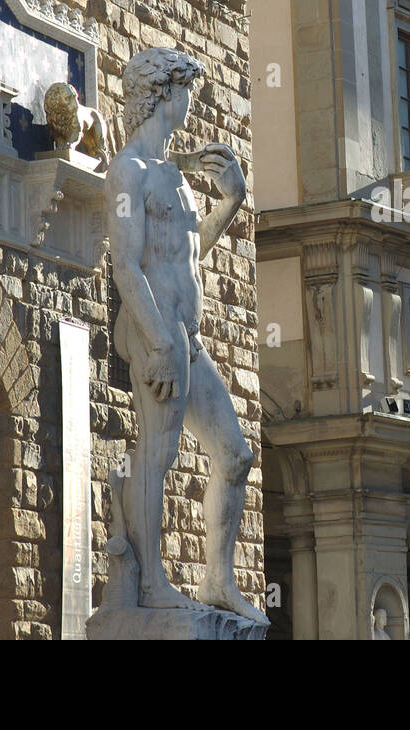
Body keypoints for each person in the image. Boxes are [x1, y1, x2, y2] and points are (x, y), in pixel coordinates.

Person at [105, 47, 266, 625]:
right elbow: (126, 264)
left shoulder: (176, 175)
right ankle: (150, 584)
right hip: (155, 333)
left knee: (235, 453)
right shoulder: (128, 171)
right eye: (187, 90)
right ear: (164, 95)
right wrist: (161, 342)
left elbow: (191, 255)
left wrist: (231, 199)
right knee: (159, 452)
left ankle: (217, 581)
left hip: (186, 336)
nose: (192, 102)